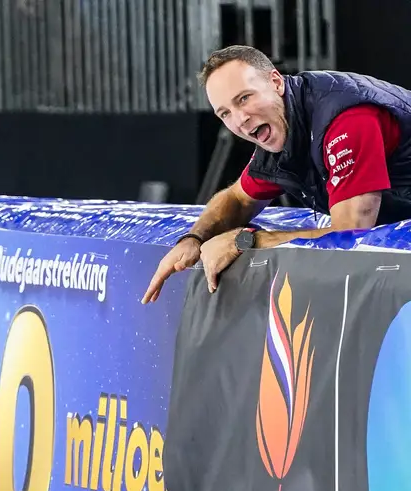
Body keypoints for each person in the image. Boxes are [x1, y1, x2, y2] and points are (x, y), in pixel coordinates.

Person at [143, 45, 411, 302]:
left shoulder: (347, 121)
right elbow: (237, 199)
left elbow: (350, 236)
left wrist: (247, 241)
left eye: (244, 98)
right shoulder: (282, 128)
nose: (240, 119)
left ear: (276, 83)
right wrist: (194, 238)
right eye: (225, 113)